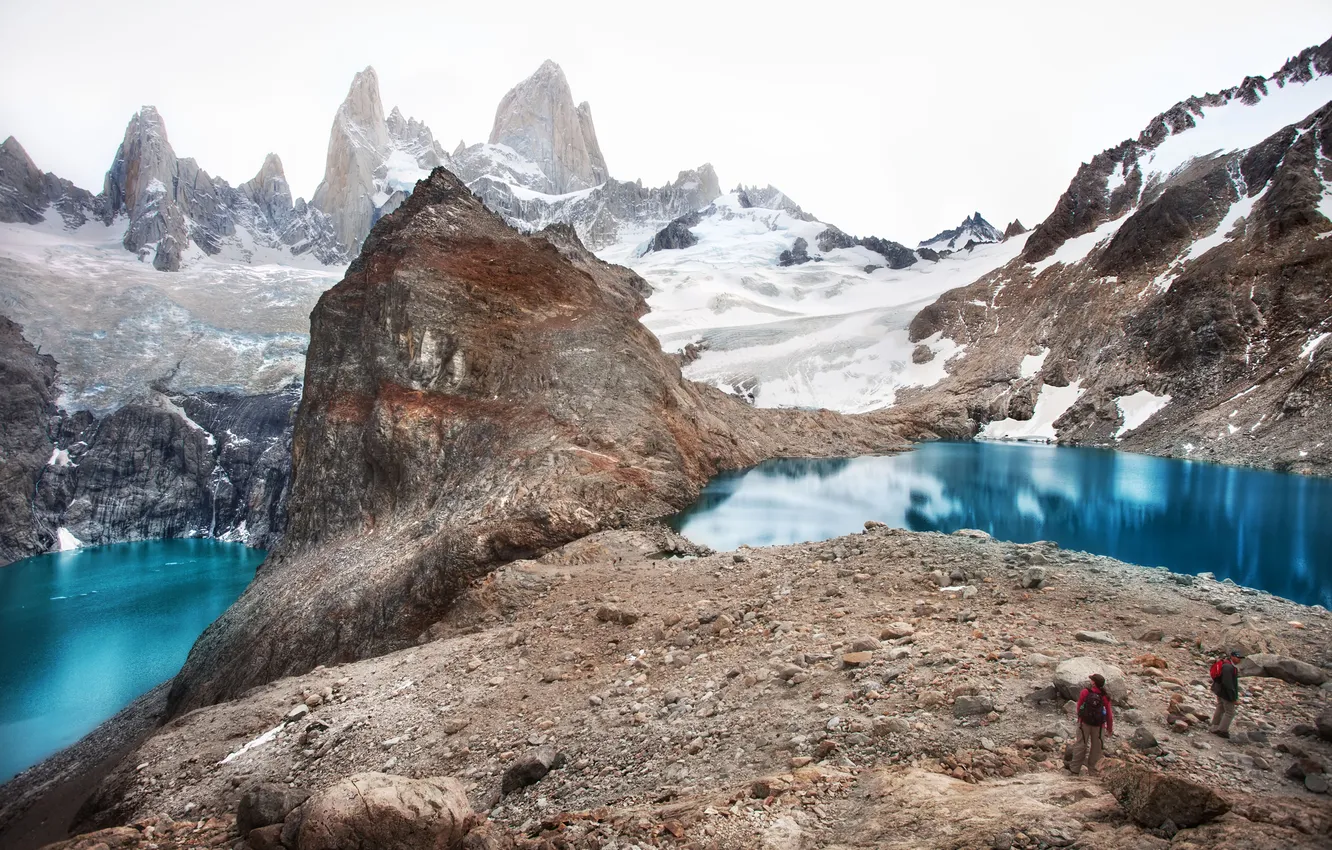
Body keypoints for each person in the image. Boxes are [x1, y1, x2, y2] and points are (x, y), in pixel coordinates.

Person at [1069, 673, 1114, 775]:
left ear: (1094, 682)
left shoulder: (1085, 692)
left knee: (1081, 745)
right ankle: (1093, 772)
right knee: (1097, 749)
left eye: (1091, 680)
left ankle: (1074, 770)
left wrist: (1080, 719)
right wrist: (1109, 728)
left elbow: (1079, 707)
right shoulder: (1104, 696)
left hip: (1084, 724)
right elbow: (1109, 714)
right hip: (1099, 727)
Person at [1209, 649, 1243, 738]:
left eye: (1240, 658)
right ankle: (1222, 730)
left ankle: (1214, 726)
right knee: (1230, 712)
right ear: (1232, 657)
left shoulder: (1225, 664)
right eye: (1237, 657)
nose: (1239, 659)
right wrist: (1233, 698)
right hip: (1225, 693)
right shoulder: (1229, 667)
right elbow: (1228, 683)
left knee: (1220, 707)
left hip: (1219, 690)